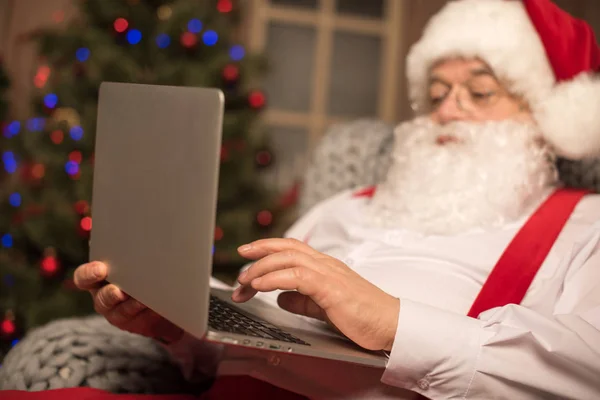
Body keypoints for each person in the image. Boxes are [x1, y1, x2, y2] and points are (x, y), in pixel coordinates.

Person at [73, 0, 600, 399]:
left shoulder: (586, 225)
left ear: (545, 112)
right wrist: (180, 328)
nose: (448, 110)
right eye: (437, 92)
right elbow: (267, 339)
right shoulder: (345, 203)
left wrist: (392, 323)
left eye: (479, 93)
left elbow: (585, 368)